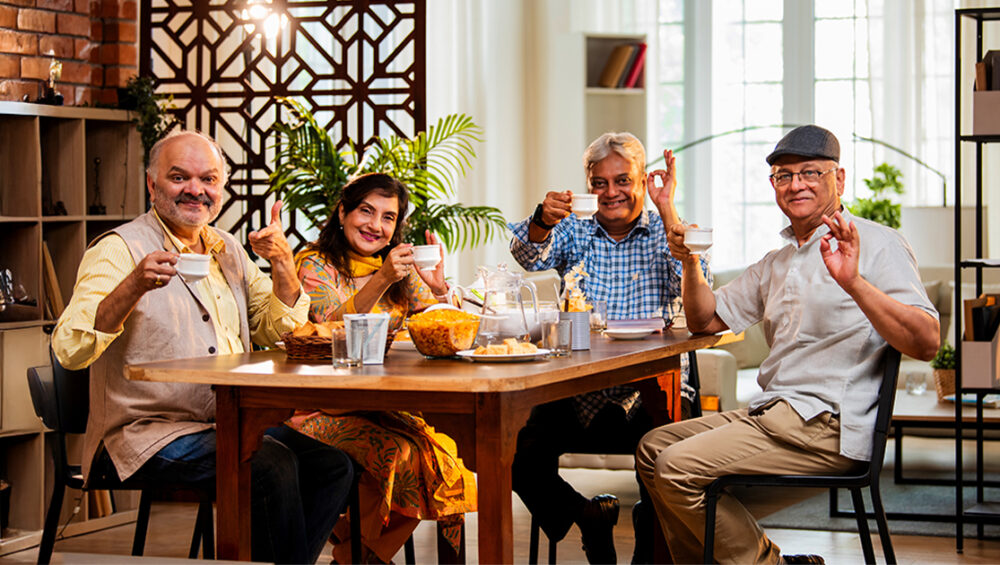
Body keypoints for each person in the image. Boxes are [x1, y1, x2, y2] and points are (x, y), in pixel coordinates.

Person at [636, 125, 940, 564]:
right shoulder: (776, 262)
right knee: (653, 449)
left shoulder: (876, 243)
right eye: (784, 175)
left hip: (827, 426)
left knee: (677, 468)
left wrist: (853, 282)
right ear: (774, 186)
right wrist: (687, 258)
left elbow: (926, 342)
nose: (796, 183)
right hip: (775, 416)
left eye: (810, 172)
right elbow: (705, 320)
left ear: (840, 178)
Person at [52, 130, 354, 564]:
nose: (196, 190)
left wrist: (284, 263)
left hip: (224, 423)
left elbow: (277, 329)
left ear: (221, 189)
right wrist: (134, 285)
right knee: (267, 465)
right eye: (179, 177)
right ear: (153, 185)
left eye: (208, 179)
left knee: (332, 466)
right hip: (141, 433)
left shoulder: (227, 248)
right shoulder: (119, 249)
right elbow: (70, 347)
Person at [508, 132, 711, 563]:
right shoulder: (575, 231)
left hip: (650, 394)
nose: (611, 192)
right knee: (514, 450)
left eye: (622, 180)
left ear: (642, 181)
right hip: (575, 390)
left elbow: (699, 290)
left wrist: (667, 206)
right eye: (599, 183)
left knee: (664, 460)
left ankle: (648, 542)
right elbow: (527, 255)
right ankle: (586, 515)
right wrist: (543, 219)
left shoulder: (666, 230)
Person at [286, 172, 477, 564]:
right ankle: (361, 554)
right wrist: (383, 278)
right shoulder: (313, 264)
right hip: (317, 408)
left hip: (384, 406)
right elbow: (326, 328)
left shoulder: (399, 269)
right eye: (366, 211)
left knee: (446, 460)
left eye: (388, 217)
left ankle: (356, 553)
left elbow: (443, 330)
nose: (375, 225)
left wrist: (439, 289)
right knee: (399, 455)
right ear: (343, 212)